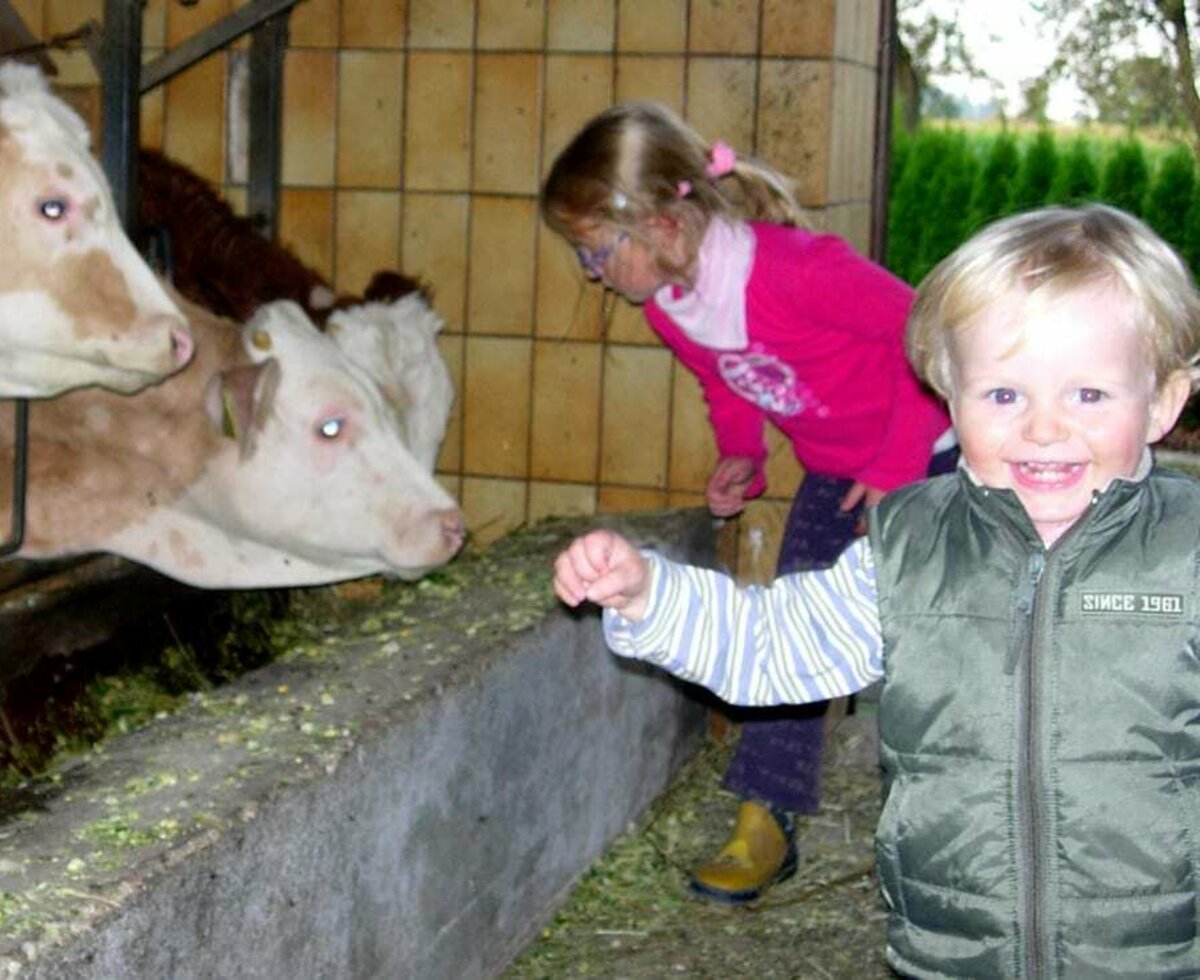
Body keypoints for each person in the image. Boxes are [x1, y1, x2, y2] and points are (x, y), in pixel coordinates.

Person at [553, 203, 1200, 977]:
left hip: (1155, 953)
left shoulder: (1186, 555)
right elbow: (776, 647)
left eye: (1088, 395)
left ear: (1161, 402)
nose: (1043, 428)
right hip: (955, 948)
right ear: (947, 396)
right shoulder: (911, 551)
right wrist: (649, 595)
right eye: (1003, 396)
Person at [540, 102, 953, 904]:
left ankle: (945, 812)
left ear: (660, 223)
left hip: (932, 458)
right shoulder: (671, 307)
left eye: (595, 251)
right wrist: (742, 454)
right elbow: (722, 380)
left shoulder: (799, 270)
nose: (591, 272)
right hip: (840, 473)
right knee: (791, 639)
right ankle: (766, 816)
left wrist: (902, 461)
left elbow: (929, 338)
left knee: (930, 643)